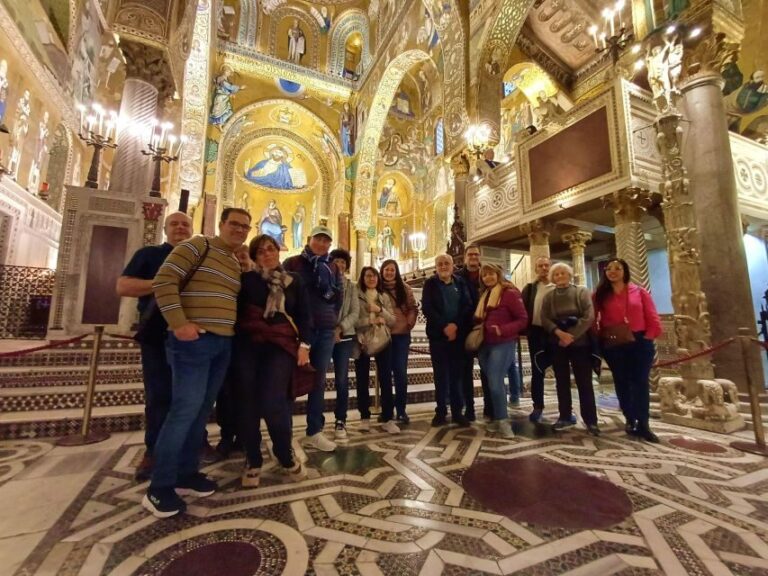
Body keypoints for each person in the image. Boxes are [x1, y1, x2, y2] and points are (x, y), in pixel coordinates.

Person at [142, 208, 250, 518]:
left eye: (245, 227)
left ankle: (186, 473)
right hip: (193, 341)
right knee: (184, 410)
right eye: (234, 224)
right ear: (221, 224)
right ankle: (159, 487)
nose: (239, 230)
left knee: (201, 412)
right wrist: (179, 324)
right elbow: (164, 281)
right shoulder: (197, 245)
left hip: (221, 343)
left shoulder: (232, 262)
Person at [117, 212, 194, 481]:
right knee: (159, 394)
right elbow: (123, 285)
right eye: (174, 223)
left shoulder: (198, 258)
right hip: (157, 336)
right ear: (165, 228)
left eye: (185, 224)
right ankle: (154, 451)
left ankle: (193, 445)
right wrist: (160, 284)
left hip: (193, 337)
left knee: (191, 396)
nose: (180, 228)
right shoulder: (149, 255)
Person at [235, 235, 311, 487]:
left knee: (274, 402)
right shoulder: (246, 280)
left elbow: (304, 315)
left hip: (280, 346)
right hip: (248, 345)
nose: (267, 254)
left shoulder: (294, 281)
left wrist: (304, 346)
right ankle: (253, 459)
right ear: (255, 256)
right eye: (261, 251)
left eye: (271, 249)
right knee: (246, 403)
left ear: (278, 252)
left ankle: (284, 453)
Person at [284, 225, 342, 452]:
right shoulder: (293, 263)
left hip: (326, 330)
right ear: (309, 239)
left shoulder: (333, 267)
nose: (322, 243)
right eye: (318, 238)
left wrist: (332, 320)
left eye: (326, 240)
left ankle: (314, 431)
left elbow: (338, 297)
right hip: (298, 329)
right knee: (289, 379)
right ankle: (284, 433)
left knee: (318, 382)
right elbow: (284, 294)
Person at [593, 258, 662, 442]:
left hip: (639, 341)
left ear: (625, 271)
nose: (612, 272)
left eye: (617, 268)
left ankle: (644, 423)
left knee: (640, 382)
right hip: (615, 344)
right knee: (622, 382)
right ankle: (630, 418)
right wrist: (599, 338)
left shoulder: (639, 292)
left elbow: (652, 316)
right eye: (609, 269)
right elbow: (592, 318)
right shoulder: (600, 294)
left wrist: (648, 336)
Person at [540, 263, 600, 436]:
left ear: (570, 274)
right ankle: (565, 416)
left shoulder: (581, 291)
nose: (560, 276)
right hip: (558, 343)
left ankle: (591, 420)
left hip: (580, 343)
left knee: (584, 382)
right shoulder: (549, 296)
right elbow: (545, 318)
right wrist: (559, 333)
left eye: (563, 273)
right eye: (556, 274)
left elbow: (588, 316)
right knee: (562, 381)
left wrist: (571, 336)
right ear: (552, 277)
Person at [474, 264, 527, 438]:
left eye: (490, 274)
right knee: (492, 384)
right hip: (485, 344)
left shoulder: (509, 293)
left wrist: (502, 330)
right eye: (484, 275)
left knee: (495, 382)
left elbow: (523, 319)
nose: (487, 278)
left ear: (498, 274)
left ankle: (504, 422)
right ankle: (498, 418)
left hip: (502, 343)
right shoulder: (485, 295)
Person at [421, 254, 472, 427]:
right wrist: (445, 327)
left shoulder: (460, 282)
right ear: (436, 267)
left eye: (446, 263)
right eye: (440, 264)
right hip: (438, 337)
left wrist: (455, 325)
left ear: (452, 266)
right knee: (440, 376)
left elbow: (467, 305)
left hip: (458, 336)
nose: (443, 266)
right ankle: (441, 412)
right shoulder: (430, 283)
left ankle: (458, 412)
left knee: (457, 376)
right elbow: (427, 307)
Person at [354, 266, 399, 433]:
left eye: (374, 276)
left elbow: (393, 320)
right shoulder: (356, 295)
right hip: (362, 341)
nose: (372, 279)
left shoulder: (384, 296)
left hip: (383, 341)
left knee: (386, 379)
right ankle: (364, 417)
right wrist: (369, 321)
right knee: (362, 380)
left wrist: (380, 310)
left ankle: (388, 418)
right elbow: (353, 320)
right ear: (363, 278)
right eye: (368, 276)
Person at [455, 245, 492, 421]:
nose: (473, 257)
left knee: (486, 370)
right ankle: (468, 407)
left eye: (476, 254)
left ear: (480, 256)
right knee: (464, 371)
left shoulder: (488, 273)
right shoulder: (457, 276)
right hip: (465, 328)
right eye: (470, 254)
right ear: (465, 257)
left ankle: (489, 406)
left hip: (486, 328)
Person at [380, 259, 418, 424]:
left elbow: (413, 308)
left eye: (392, 270)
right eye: (386, 270)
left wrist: (409, 324)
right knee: (385, 374)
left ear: (396, 272)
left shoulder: (405, 288)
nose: (389, 272)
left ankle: (401, 410)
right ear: (381, 271)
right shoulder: (377, 288)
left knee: (400, 373)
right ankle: (387, 411)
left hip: (401, 335)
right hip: (383, 335)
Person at [329, 248, 360, 440]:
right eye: (336, 261)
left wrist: (339, 328)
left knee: (341, 379)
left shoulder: (351, 286)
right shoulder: (324, 281)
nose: (340, 265)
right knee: (318, 379)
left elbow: (355, 312)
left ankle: (341, 420)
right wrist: (329, 330)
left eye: (343, 262)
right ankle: (315, 422)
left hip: (345, 337)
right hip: (324, 336)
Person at [521, 257, 554, 423]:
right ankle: (538, 406)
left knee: (561, 371)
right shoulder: (530, 288)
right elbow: (523, 309)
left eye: (546, 265)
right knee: (537, 371)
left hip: (556, 333)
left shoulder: (558, 286)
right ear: (536, 269)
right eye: (540, 266)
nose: (544, 268)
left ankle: (566, 409)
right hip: (536, 333)